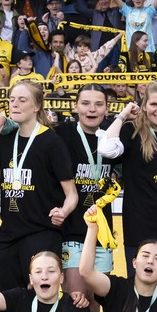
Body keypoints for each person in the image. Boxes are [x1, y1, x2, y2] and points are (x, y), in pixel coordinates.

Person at [0, 79, 79, 291]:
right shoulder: (4, 139)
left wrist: (63, 211)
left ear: (37, 106)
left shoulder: (51, 142)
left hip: (42, 233)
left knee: (40, 301)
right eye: (12, 100)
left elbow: (72, 194)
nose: (15, 105)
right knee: (9, 303)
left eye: (22, 100)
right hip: (8, 235)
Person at [97, 80, 157, 274]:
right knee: (138, 296)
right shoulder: (132, 132)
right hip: (139, 232)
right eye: (154, 104)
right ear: (144, 106)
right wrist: (123, 115)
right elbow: (106, 149)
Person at [58, 85, 116, 300]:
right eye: (85, 103)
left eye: (98, 104)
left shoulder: (113, 135)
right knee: (75, 299)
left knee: (96, 303)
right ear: (75, 107)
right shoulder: (61, 133)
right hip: (72, 231)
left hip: (102, 231)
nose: (92, 109)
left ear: (107, 109)